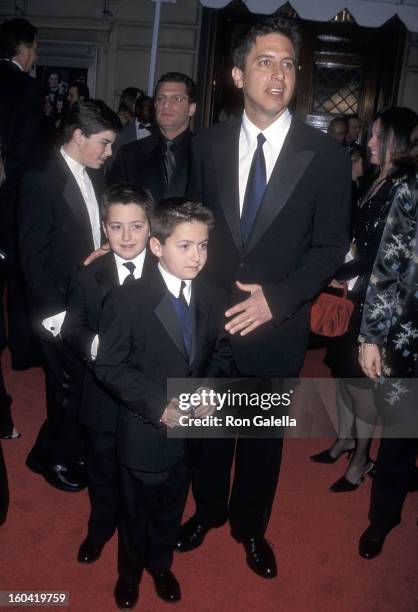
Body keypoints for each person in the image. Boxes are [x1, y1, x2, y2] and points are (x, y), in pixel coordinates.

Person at [179, 17, 351, 578]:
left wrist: (277, 300)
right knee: (207, 433)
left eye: (287, 63)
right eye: (263, 61)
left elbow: (330, 245)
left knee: (260, 441)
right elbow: (189, 224)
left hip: (276, 328)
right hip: (208, 321)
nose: (277, 74)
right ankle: (206, 512)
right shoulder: (205, 145)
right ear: (236, 73)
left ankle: (250, 528)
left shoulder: (324, 156)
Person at [95, 198, 232, 609]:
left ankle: (160, 564)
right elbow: (110, 366)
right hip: (146, 431)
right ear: (156, 246)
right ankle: (130, 574)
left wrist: (210, 389)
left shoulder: (211, 293)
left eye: (204, 246)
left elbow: (221, 351)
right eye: (185, 246)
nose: (197, 257)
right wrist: (158, 405)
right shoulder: (127, 300)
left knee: (173, 504)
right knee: (135, 513)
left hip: (191, 432)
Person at [19, 100, 121, 493]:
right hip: (56, 305)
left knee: (78, 382)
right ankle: (55, 459)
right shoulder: (40, 179)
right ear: (78, 136)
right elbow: (32, 258)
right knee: (66, 385)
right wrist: (53, 313)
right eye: (105, 143)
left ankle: (47, 450)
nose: (110, 152)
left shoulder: (94, 174)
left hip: (86, 296)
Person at [313, 107, 418, 491]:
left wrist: (334, 273)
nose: (369, 142)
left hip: (375, 302)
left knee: (361, 384)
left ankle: (361, 459)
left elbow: (383, 256)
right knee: (342, 374)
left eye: (376, 135)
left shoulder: (404, 186)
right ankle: (345, 440)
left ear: (397, 140)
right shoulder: (379, 178)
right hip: (355, 293)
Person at [61, 183, 155, 565]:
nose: (127, 236)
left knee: (144, 473)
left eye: (136, 225)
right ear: (104, 228)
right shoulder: (88, 274)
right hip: (101, 394)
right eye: (117, 227)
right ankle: (101, 526)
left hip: (148, 394)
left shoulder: (168, 270)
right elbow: (71, 329)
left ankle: (143, 536)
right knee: (101, 466)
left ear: (151, 228)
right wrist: (99, 347)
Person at [357, 123, 418, 559]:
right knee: (399, 433)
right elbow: (388, 264)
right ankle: (383, 517)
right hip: (408, 338)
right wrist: (371, 337)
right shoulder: (412, 185)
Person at [0, 17, 46, 371]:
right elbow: (30, 152)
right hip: (12, 198)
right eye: (33, 48)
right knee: (18, 275)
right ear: (23, 48)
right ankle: (21, 351)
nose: (35, 55)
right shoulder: (28, 89)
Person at [109, 72, 196, 203]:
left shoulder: (206, 154)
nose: (166, 105)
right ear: (155, 106)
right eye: (161, 98)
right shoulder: (128, 155)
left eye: (177, 99)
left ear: (191, 108)